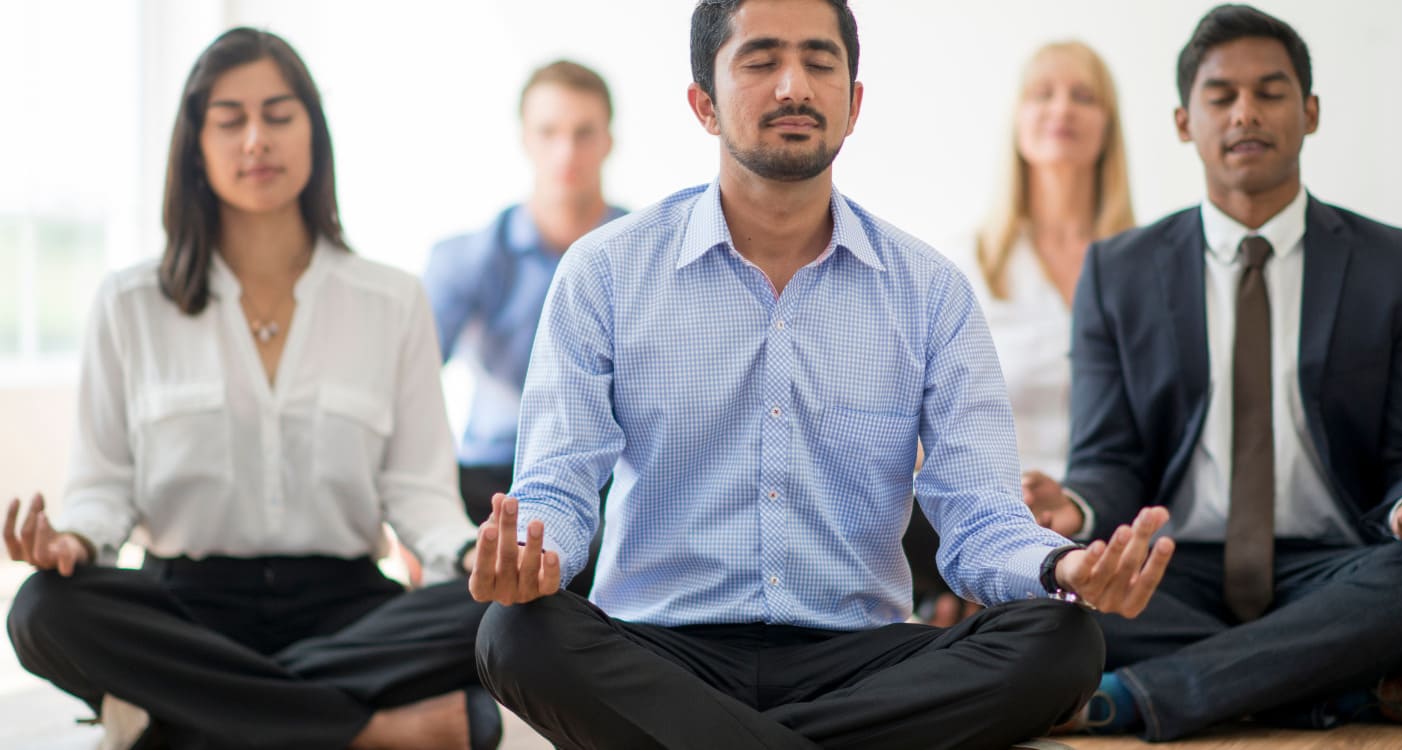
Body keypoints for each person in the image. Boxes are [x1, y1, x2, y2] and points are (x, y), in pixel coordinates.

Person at [465, 1, 1174, 748]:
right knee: (513, 633)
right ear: (703, 104)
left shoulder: (930, 291)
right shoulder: (605, 273)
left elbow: (979, 520)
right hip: (658, 648)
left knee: (1064, 641)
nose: (793, 86)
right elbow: (558, 489)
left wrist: (1061, 564)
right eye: (762, 61)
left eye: (820, 62)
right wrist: (533, 560)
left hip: (858, 659)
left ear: (853, 102)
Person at [4, 28, 499, 750]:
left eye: (278, 114)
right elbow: (103, 487)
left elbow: (419, 492)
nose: (256, 139)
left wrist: (472, 557)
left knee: (509, 616)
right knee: (42, 609)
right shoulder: (130, 302)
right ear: (196, 147)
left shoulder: (392, 300)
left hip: (347, 606)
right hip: (186, 608)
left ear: (313, 132)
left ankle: (179, 720)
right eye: (230, 120)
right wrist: (72, 539)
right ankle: (370, 731)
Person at [1031, 4, 1402, 740]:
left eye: (1271, 92)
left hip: (1335, 567)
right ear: (1185, 121)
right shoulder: (1118, 273)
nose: (1246, 111)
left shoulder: (1395, 265)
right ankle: (1351, 689)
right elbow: (1109, 459)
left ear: (1310, 112)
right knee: (1041, 606)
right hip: (1173, 569)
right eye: (1221, 96)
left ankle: (1136, 696)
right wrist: (1078, 511)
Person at [909, 40, 1136, 627]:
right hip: (989, 514)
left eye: (1083, 96)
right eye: (1043, 94)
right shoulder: (962, 266)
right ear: (1017, 121)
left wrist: (1077, 506)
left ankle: (986, 624)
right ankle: (984, 606)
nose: (1062, 109)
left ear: (1107, 125)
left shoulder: (1150, 267)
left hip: (1106, 513)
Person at [423, 59, 622, 594]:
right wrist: (414, 520)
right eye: (549, 132)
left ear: (608, 140)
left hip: (605, 483)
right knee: (485, 590)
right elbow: (406, 389)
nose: (566, 152)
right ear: (524, 139)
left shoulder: (643, 257)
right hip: (488, 478)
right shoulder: (466, 259)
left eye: (583, 133)